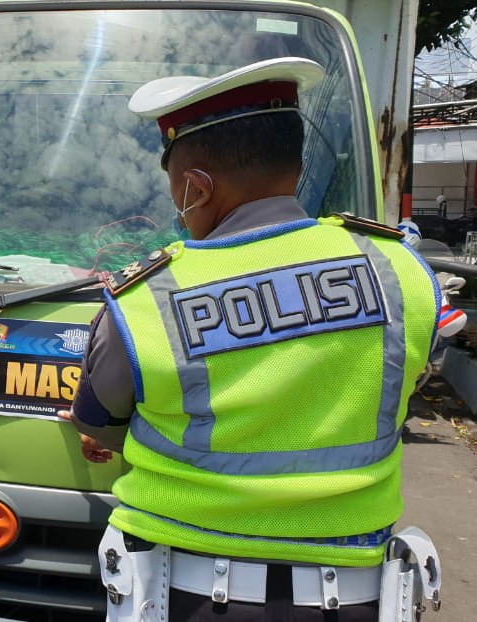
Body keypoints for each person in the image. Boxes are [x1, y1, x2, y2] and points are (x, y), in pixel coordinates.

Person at [63, 58, 444, 621]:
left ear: (195, 186)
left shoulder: (148, 299)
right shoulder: (400, 270)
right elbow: (412, 370)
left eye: (175, 190)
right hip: (357, 596)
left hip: (184, 595)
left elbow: (96, 422)